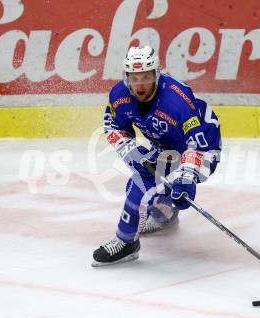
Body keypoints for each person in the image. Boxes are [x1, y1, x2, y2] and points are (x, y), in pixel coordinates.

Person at [92, 45, 222, 266]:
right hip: (166, 145)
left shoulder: (177, 101)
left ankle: (126, 242)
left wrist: (186, 179)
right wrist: (131, 152)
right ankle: (165, 215)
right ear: (127, 78)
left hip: (203, 146)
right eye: (134, 78)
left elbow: (197, 144)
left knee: (140, 186)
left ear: (156, 74)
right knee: (147, 184)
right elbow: (113, 125)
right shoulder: (120, 95)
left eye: (146, 77)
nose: (140, 84)